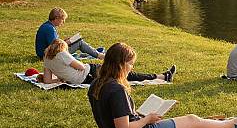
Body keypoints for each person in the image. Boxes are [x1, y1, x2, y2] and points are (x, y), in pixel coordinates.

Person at [88, 42, 237, 128]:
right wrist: (147, 119)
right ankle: (234, 122)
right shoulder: (117, 90)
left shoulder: (96, 84)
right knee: (192, 120)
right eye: (130, 64)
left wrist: (138, 116)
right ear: (120, 64)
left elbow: (115, 120)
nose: (131, 68)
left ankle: (233, 127)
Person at [42, 39, 176, 85]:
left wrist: (61, 79)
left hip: (81, 80)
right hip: (89, 73)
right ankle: (162, 76)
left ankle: (161, 76)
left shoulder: (47, 59)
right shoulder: (62, 54)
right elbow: (81, 66)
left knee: (124, 73)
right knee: (124, 72)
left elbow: (47, 80)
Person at [35, 7, 104, 60]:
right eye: (62, 19)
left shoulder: (48, 26)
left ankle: (97, 54)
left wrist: (64, 41)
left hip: (44, 54)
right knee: (80, 43)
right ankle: (99, 55)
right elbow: (55, 47)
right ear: (56, 18)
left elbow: (53, 43)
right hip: (48, 56)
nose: (63, 22)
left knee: (78, 42)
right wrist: (68, 42)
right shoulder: (50, 29)